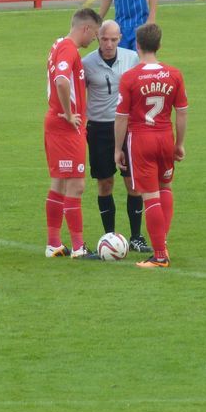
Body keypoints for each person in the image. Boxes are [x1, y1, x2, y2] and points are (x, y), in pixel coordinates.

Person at [114, 24, 187, 269]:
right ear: (159, 45)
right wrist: (179, 144)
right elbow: (183, 112)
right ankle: (162, 242)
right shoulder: (174, 74)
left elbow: (122, 117)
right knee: (165, 187)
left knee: (150, 195)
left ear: (137, 45)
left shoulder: (130, 77)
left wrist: (117, 148)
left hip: (141, 138)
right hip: (165, 135)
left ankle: (159, 255)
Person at [82, 20, 153, 253]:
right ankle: (109, 236)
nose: (109, 44)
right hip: (99, 129)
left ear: (120, 38)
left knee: (133, 182)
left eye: (113, 39)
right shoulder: (87, 63)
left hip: (127, 129)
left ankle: (136, 236)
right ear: (97, 38)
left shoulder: (132, 58)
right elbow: (79, 96)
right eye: (104, 39)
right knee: (105, 183)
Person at [44, 8, 102, 259]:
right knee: (76, 185)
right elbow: (61, 80)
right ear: (86, 28)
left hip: (57, 126)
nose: (94, 41)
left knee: (59, 183)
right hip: (66, 127)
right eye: (95, 34)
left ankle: (54, 244)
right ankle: (78, 247)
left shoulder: (58, 43)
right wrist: (68, 114)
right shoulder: (68, 48)